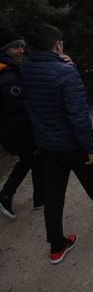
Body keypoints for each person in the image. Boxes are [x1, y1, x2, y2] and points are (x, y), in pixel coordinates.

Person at [21, 24, 93, 264]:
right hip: (71, 144)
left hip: (46, 143)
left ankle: (56, 245)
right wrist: (90, 148)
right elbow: (78, 115)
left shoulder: (25, 70)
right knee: (89, 174)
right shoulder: (65, 73)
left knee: (54, 194)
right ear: (57, 44)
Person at [0, 28, 44, 219]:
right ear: (5, 50)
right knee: (30, 158)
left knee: (32, 160)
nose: (21, 51)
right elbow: (17, 114)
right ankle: (6, 195)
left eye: (21, 47)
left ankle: (39, 198)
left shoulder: (11, 69)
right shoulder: (7, 76)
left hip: (16, 131)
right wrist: (32, 139)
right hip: (18, 132)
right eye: (16, 47)